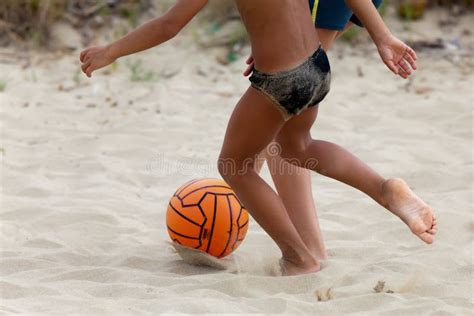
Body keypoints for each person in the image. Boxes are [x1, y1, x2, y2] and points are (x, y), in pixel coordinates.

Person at [80, 0, 437, 276]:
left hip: (279, 81)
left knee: (234, 166)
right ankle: (384, 188)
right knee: (299, 147)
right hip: (316, 67)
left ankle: (298, 258)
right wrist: (383, 36)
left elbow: (169, 24)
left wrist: (111, 51)